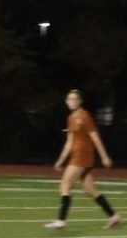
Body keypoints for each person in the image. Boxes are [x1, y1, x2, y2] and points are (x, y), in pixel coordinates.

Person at [46, 89, 120, 229]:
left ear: (80, 101)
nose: (72, 102)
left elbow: (95, 137)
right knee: (90, 189)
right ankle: (113, 215)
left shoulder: (84, 116)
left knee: (65, 185)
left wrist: (104, 156)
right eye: (69, 99)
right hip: (78, 156)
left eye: (75, 99)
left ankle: (61, 220)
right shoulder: (71, 117)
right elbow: (69, 141)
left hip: (82, 156)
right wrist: (61, 160)